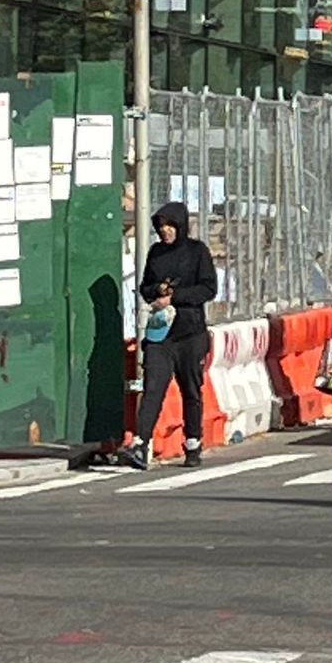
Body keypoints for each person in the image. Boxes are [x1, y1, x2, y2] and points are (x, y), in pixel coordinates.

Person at [120, 199, 219, 471]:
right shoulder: (155, 253)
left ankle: (193, 443)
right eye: (161, 226)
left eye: (170, 226)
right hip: (160, 335)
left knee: (190, 390)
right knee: (153, 387)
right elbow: (145, 288)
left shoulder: (197, 252)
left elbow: (209, 289)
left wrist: (176, 297)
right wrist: (157, 292)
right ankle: (141, 443)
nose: (166, 231)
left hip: (190, 333)